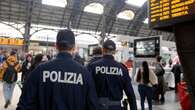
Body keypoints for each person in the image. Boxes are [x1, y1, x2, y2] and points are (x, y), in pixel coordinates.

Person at [17, 30, 99, 110]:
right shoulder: (84, 73)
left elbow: (25, 103)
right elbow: (93, 105)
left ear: (56, 46)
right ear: (74, 47)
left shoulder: (40, 70)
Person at [87, 40, 137, 110]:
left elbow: (86, 89)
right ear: (114, 51)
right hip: (116, 107)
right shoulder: (122, 69)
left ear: (103, 50)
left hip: (97, 106)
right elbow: (130, 93)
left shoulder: (92, 67)